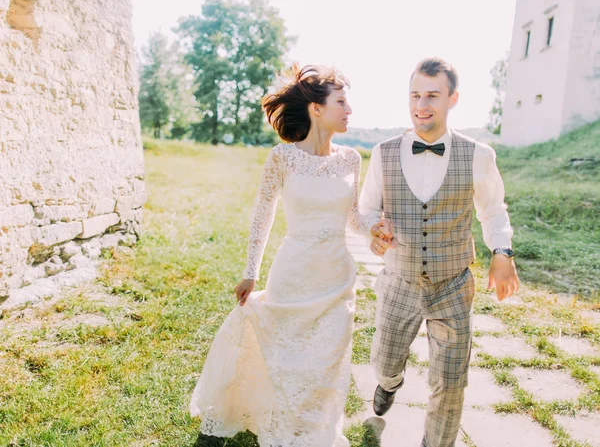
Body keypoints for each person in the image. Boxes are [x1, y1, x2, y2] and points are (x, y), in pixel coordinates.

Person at [189, 64, 390, 447]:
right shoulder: (282, 159)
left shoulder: (351, 160)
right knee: (286, 359)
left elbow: (351, 217)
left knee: (327, 359)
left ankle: (317, 430)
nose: (349, 110)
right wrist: (251, 273)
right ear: (317, 108)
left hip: (336, 275)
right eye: (341, 102)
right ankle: (281, 424)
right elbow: (262, 217)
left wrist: (373, 227)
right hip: (293, 272)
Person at [361, 57, 520, 447]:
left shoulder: (479, 155)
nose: (421, 105)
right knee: (383, 361)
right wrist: (373, 230)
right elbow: (366, 209)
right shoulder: (384, 152)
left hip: (452, 285)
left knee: (450, 383)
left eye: (432, 95)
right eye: (415, 95)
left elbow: (494, 210)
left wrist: (502, 252)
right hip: (399, 280)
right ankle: (390, 382)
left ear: (453, 99)